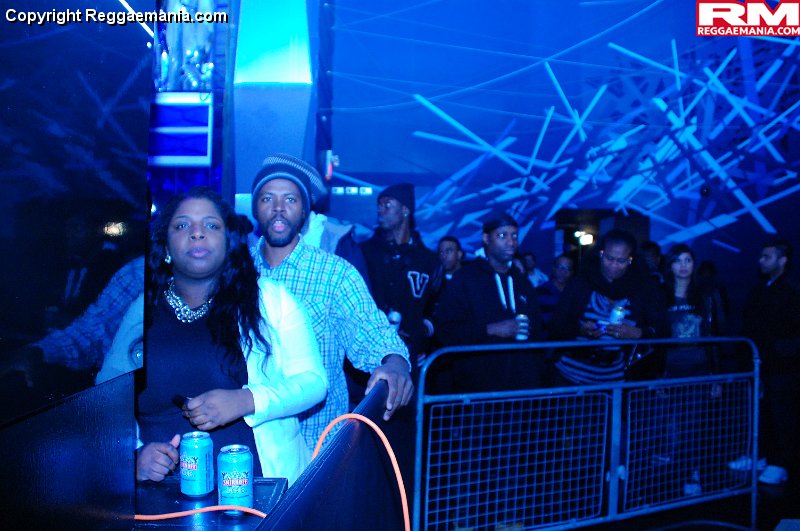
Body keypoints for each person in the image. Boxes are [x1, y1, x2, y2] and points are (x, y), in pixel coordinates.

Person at [137, 187, 326, 485]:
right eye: (182, 225)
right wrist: (133, 456)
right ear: (166, 245)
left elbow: (313, 382)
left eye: (211, 225)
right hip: (161, 494)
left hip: (257, 491)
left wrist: (247, 400)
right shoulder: (139, 310)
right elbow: (107, 402)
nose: (197, 233)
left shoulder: (271, 300)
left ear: (229, 242)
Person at [249, 154, 414, 451]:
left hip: (316, 447)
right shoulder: (236, 272)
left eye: (290, 199)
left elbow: (371, 331)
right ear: (255, 208)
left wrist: (396, 364)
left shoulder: (334, 274)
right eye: (267, 198)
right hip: (249, 447)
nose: (278, 208)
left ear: (304, 211)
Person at [434, 213, 544, 390]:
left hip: (521, 385)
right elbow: (446, 331)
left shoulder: (522, 282)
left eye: (514, 236)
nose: (510, 242)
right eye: (502, 235)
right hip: (477, 387)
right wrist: (490, 329)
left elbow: (538, 330)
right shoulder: (464, 279)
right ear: (486, 238)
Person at [550, 228, 669, 385]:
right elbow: (556, 325)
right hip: (571, 374)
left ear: (630, 260)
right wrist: (580, 329)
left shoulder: (641, 290)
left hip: (614, 377)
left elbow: (662, 329)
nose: (614, 265)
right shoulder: (581, 284)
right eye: (609, 258)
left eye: (621, 261)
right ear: (600, 254)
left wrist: (639, 333)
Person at [739, 237, 800, 485]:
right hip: (760, 364)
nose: (761, 260)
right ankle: (761, 455)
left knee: (782, 415)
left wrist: (779, 350)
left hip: (784, 368)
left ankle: (782, 464)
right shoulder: (759, 289)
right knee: (761, 412)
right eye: (761, 256)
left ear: (783, 260)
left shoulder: (793, 290)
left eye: (767, 257)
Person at [360, 183, 443, 365]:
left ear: (405, 210)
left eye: (387, 205)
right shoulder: (365, 254)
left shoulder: (428, 261)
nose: (380, 210)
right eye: (379, 205)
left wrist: (421, 331)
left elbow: (439, 304)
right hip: (369, 354)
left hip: (412, 355)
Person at [661, 244, 724, 377]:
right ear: (670, 266)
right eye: (677, 261)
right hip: (669, 368)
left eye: (687, 260)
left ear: (694, 264)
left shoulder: (705, 296)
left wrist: (716, 374)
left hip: (701, 367)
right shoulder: (660, 296)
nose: (683, 265)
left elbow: (713, 334)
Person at [536, 254, 575, 335]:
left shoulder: (574, 293)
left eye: (567, 269)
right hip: (547, 339)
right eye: (560, 267)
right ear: (553, 268)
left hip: (569, 339)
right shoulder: (540, 291)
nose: (563, 272)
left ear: (571, 272)